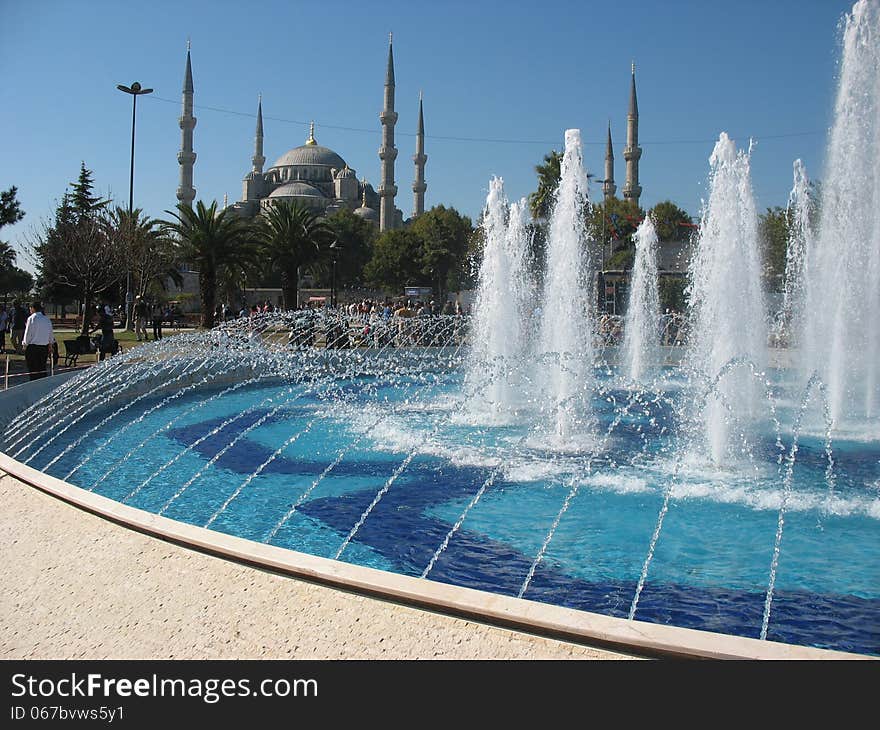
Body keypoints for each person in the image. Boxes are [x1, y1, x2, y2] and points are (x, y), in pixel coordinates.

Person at [22, 300, 55, 380]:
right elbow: (50, 333)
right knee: (42, 368)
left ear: (33, 308)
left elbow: (28, 333)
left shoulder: (31, 318)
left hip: (33, 347)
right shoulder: (47, 319)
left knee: (33, 370)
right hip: (44, 348)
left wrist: (25, 344)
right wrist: (50, 344)